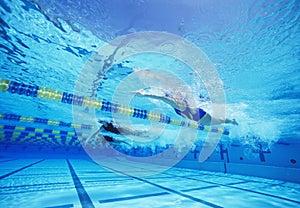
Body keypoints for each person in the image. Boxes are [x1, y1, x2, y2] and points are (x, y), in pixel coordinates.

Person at [133, 86, 238, 126]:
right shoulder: (179, 100)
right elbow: (164, 94)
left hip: (202, 118)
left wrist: (144, 94)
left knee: (220, 120)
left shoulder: (177, 103)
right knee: (219, 120)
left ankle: (232, 121)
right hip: (199, 114)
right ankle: (231, 121)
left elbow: (163, 98)